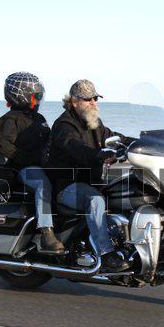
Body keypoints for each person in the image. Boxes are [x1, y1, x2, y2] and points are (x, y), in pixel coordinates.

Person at [47, 79, 133, 272]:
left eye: (95, 98)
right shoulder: (64, 125)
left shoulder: (94, 123)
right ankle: (106, 254)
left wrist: (143, 142)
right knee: (95, 201)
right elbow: (75, 147)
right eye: (88, 99)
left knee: (128, 188)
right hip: (66, 186)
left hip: (92, 181)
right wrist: (99, 154)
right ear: (74, 101)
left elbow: (114, 137)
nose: (93, 102)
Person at [0, 72, 64, 253]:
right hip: (23, 169)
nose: (39, 100)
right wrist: (30, 158)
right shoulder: (9, 120)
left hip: (42, 165)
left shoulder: (39, 119)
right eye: (36, 96)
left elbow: (51, 141)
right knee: (43, 183)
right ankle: (46, 232)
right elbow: (4, 146)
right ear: (21, 96)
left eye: (39, 96)